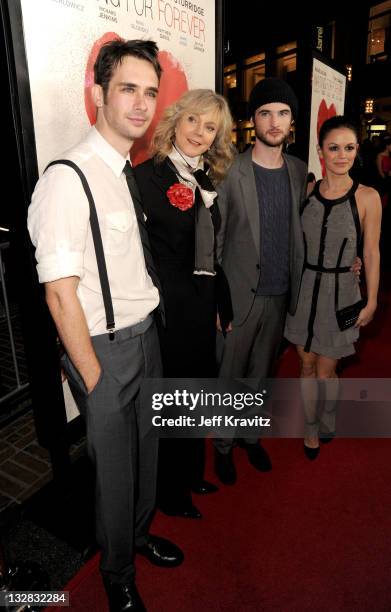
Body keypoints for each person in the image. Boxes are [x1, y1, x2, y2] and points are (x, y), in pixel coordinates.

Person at [28, 39, 183, 612]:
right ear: (98, 95)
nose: (141, 104)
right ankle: (116, 572)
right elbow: (58, 291)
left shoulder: (123, 171)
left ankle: (137, 538)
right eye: (127, 89)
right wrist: (93, 377)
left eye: (149, 91)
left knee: (147, 456)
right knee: (113, 475)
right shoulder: (68, 178)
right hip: (106, 354)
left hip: (146, 339)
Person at [134, 89, 235, 518]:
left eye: (209, 127)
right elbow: (141, 254)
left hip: (201, 304)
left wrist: (220, 302)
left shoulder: (205, 179)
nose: (199, 132)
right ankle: (170, 493)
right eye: (193, 120)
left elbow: (212, 249)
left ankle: (192, 472)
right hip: (170, 307)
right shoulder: (145, 175)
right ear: (176, 121)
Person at [213, 78, 308, 484]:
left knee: (261, 377)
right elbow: (215, 242)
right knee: (227, 378)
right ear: (253, 120)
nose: (274, 121)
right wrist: (218, 303)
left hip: (280, 294)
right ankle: (221, 446)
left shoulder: (299, 171)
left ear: (291, 122)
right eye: (265, 112)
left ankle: (249, 437)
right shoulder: (231, 171)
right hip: (237, 299)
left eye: (282, 113)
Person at [284, 116, 381, 459]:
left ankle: (327, 415)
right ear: (320, 151)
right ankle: (310, 427)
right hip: (305, 290)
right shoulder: (308, 192)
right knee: (305, 365)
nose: (342, 156)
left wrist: (370, 301)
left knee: (326, 371)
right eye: (334, 148)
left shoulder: (368, 197)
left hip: (341, 292)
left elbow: (370, 251)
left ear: (357, 151)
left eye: (349, 148)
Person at [376, 136, 391, 207]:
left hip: (389, 177)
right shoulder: (380, 155)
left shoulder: (390, 156)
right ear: (387, 146)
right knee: (383, 195)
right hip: (383, 178)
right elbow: (379, 170)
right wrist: (385, 179)